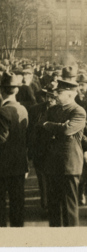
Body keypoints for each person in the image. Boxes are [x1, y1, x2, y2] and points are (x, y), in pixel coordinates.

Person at [42, 66, 86, 227]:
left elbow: (68, 130)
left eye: (59, 93)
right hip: (53, 163)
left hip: (69, 165)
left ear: (69, 94)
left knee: (69, 207)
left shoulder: (79, 111)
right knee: (53, 207)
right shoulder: (53, 109)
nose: (56, 95)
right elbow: (41, 125)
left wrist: (51, 125)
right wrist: (58, 125)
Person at [0, 71, 28, 227]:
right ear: (16, 90)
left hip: (3, 165)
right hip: (19, 164)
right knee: (17, 203)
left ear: (2, 91)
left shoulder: (3, 111)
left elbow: (2, 139)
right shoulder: (23, 109)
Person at [27, 84, 58, 211]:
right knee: (43, 180)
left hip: (56, 151)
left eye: (54, 97)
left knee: (54, 181)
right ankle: (45, 206)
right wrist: (30, 150)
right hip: (39, 150)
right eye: (48, 97)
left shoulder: (63, 110)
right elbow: (29, 131)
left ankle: (54, 206)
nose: (50, 100)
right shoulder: (35, 110)